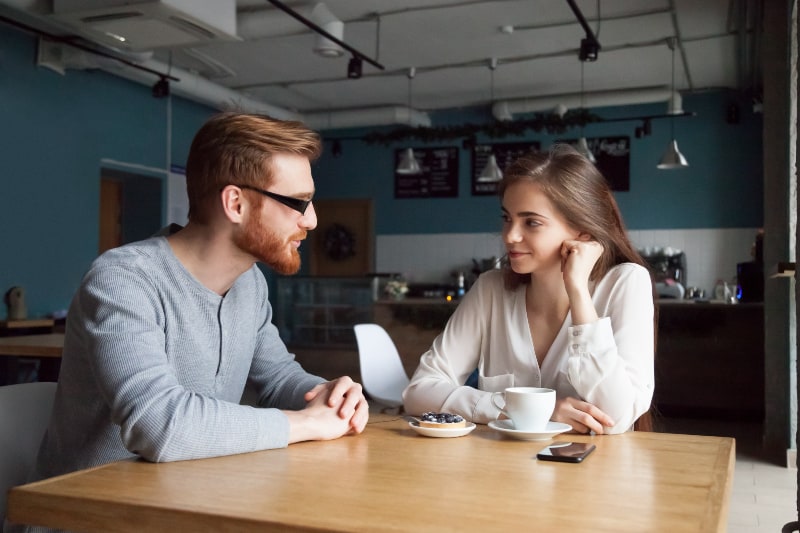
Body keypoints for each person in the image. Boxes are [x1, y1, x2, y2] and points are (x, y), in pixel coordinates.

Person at [16, 113, 369, 504]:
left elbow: (277, 378)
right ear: (235, 203)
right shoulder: (123, 280)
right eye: (298, 203)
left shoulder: (249, 283)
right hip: (86, 519)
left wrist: (328, 397)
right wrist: (305, 424)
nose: (313, 220)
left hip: (189, 505)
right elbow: (159, 424)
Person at [402, 144, 655, 434]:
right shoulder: (490, 290)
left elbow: (616, 418)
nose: (510, 235)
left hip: (593, 473)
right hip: (498, 472)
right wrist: (527, 409)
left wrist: (578, 292)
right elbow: (418, 392)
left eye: (531, 222)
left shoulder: (626, 282)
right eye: (507, 218)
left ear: (583, 232)